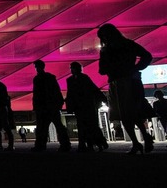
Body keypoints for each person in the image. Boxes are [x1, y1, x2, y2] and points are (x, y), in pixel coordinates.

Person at [97, 23, 153, 154]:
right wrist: (136, 68)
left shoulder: (108, 50)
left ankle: (137, 142)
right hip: (130, 80)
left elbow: (101, 70)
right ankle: (143, 137)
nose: (103, 40)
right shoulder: (128, 44)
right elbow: (147, 56)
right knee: (131, 112)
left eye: (103, 37)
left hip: (120, 82)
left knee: (125, 114)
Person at [65, 61, 109, 152]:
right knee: (84, 126)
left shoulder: (80, 78)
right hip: (82, 106)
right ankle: (88, 145)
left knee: (89, 125)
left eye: (72, 68)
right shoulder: (73, 79)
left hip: (86, 106)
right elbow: (71, 94)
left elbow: (93, 88)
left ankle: (91, 144)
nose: (71, 70)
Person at [30, 60, 71, 152]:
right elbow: (56, 90)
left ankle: (41, 145)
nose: (36, 68)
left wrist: (35, 106)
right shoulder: (49, 77)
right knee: (57, 126)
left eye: (36, 66)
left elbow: (36, 94)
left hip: (44, 106)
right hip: (51, 106)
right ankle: (65, 144)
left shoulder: (38, 79)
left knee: (42, 127)